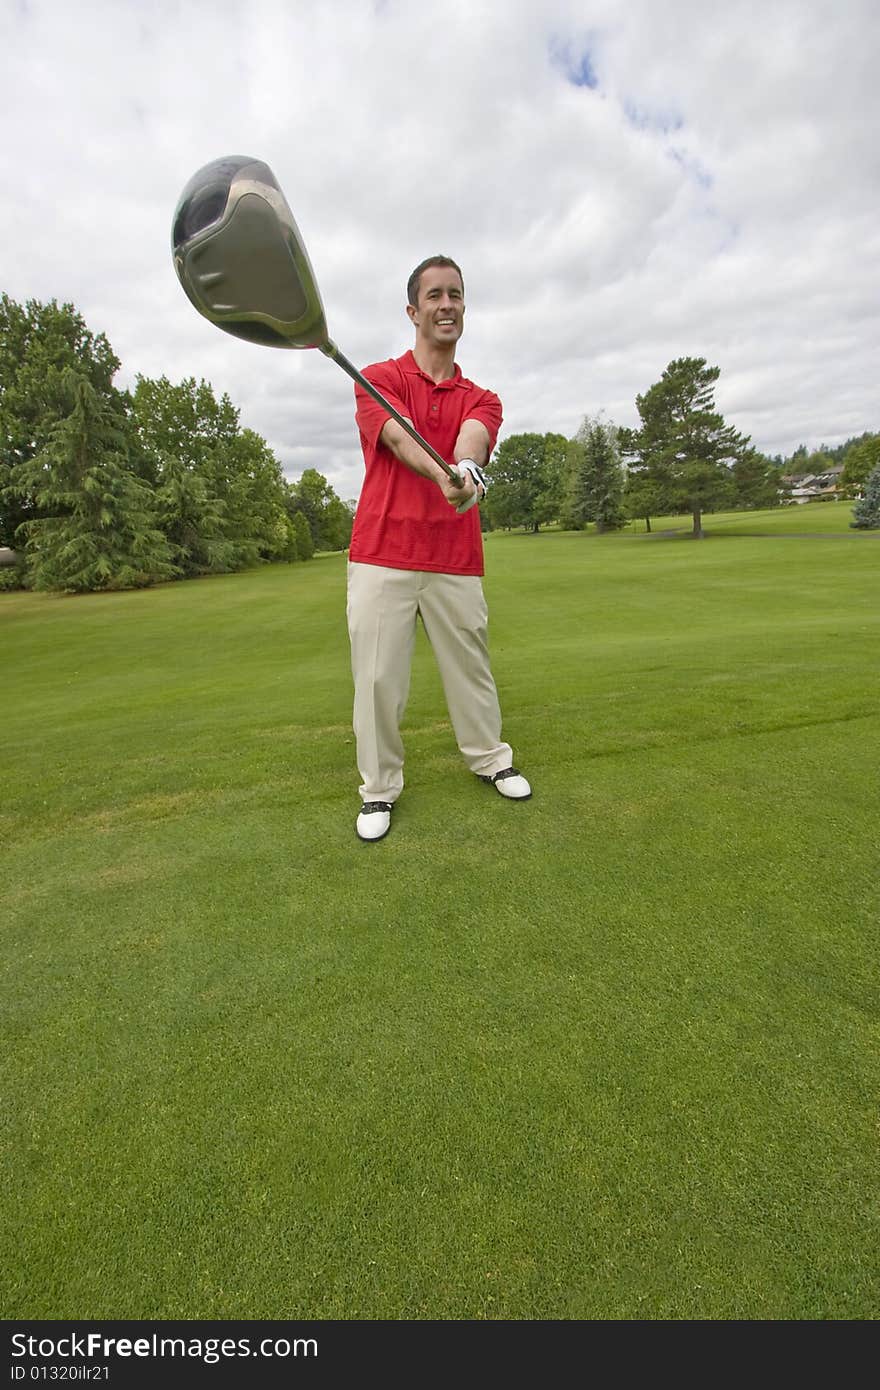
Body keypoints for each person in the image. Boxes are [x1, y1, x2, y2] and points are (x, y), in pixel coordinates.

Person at [347, 255, 531, 842]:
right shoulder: (379, 378)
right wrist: (442, 472)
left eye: (455, 295)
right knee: (377, 679)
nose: (446, 304)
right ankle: (378, 790)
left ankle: (489, 757)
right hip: (382, 552)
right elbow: (398, 437)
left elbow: (474, 436)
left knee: (471, 669)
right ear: (413, 310)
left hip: (453, 558)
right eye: (434, 296)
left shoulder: (484, 397)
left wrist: (469, 467)